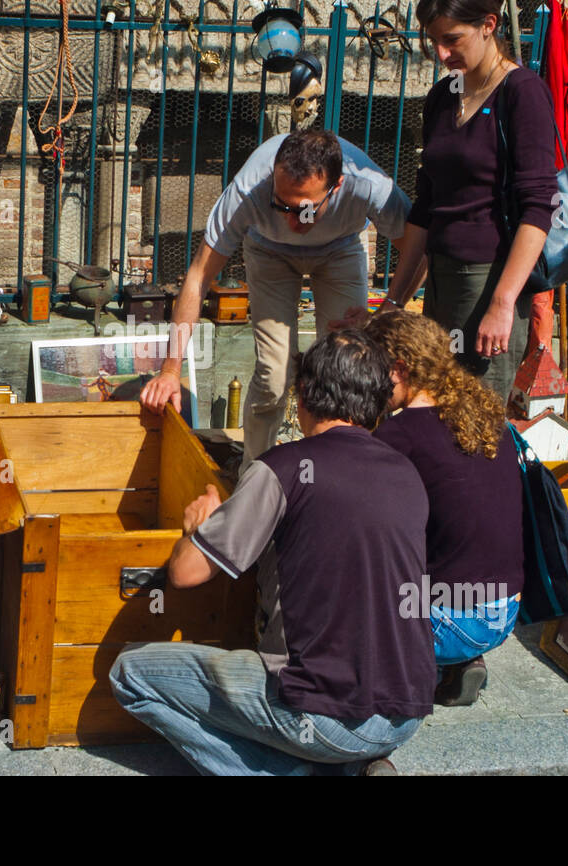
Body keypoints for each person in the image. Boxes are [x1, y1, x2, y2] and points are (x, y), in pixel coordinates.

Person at [111, 330, 434, 775]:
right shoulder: (406, 473)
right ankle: (351, 769)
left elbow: (184, 574)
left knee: (130, 674)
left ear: (302, 395)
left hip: (322, 710)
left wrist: (197, 527)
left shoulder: (283, 470)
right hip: (406, 712)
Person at [139, 128, 409, 464]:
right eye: (281, 205)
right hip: (269, 253)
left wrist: (385, 312)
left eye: (304, 209)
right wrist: (169, 369)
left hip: (339, 251)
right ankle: (255, 477)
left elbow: (418, 249)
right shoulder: (249, 188)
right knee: (274, 374)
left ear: (336, 186)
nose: (291, 219)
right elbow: (198, 277)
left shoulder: (366, 183)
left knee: (347, 370)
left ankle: (336, 472)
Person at [381, 0, 558, 400]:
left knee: (474, 423)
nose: (441, 54)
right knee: (432, 409)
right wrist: (394, 300)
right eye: (433, 41)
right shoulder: (442, 98)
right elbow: (426, 206)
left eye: (452, 39)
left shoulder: (522, 92)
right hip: (439, 279)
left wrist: (501, 303)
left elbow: (539, 206)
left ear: (489, 25)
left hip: (490, 281)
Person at [365, 309, 524, 706]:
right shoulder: (486, 416)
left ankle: (419, 667)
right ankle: (456, 662)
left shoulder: (398, 434)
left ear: (399, 369)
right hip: (507, 612)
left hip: (450, 618)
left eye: (374, 372)